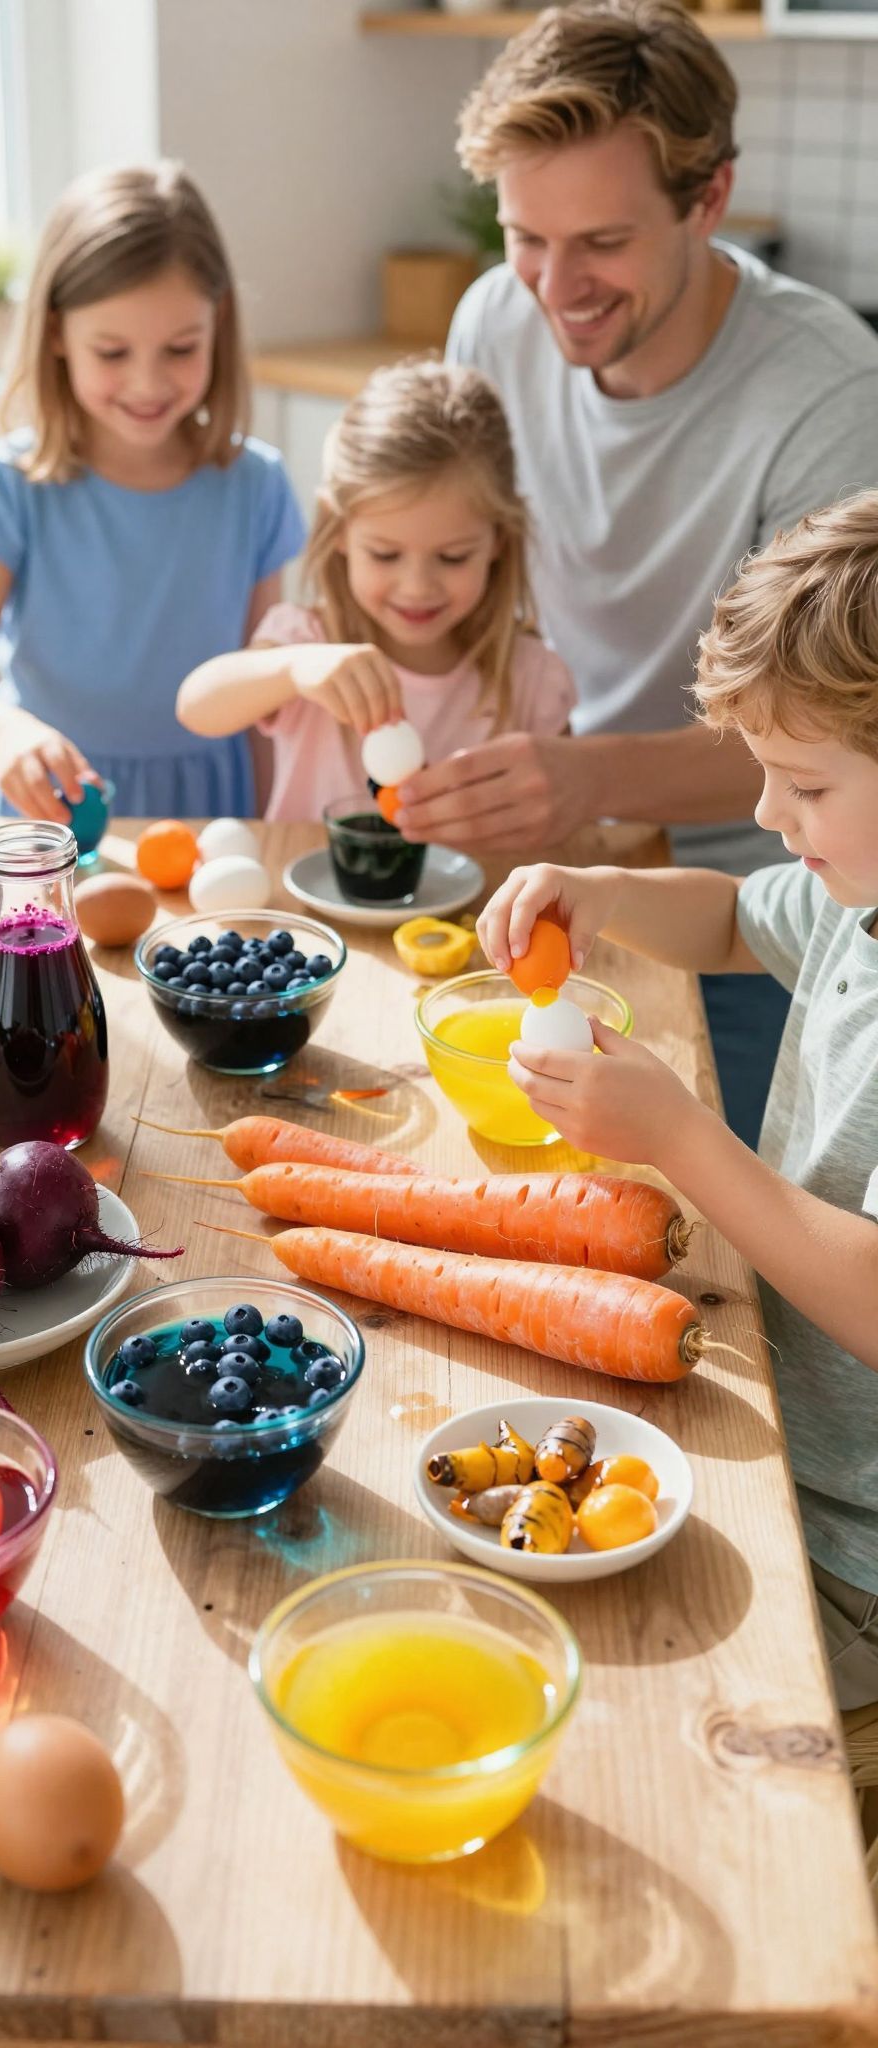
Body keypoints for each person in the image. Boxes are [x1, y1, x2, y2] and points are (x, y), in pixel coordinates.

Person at [395, 0, 878, 1145]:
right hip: (563, 866)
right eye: (526, 236)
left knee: (720, 1213)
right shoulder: (493, 323)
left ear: (709, 200)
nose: (555, 285)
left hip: (773, 896)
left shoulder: (829, 395)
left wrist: (588, 777)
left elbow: (839, 732)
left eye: (603, 242)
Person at [477, 493, 878, 1708]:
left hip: (851, 1550)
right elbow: (735, 919)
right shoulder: (861, 894)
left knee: (626, 1706)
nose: (767, 815)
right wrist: (603, 885)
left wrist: (678, 1138)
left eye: (803, 785)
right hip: (777, 1414)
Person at [0, 162, 306, 823]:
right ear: (57, 333)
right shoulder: (11, 484)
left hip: (212, 812)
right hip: (50, 812)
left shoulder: (255, 487)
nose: (147, 384)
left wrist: (273, 831)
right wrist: (3, 732)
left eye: (180, 348)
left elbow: (264, 696)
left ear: (218, 324)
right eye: (112, 353)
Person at [176, 358, 574, 818]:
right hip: (306, 868)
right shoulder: (309, 644)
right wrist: (294, 669)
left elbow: (565, 819)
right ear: (340, 530)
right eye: (385, 555)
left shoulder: (530, 679)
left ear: (499, 540)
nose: (417, 587)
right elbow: (196, 706)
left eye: (453, 557)